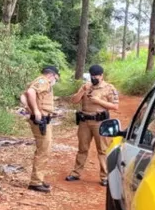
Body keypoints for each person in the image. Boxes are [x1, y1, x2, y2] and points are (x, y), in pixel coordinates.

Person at [66, 64, 119, 186]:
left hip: (100, 122)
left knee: (103, 150)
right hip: (84, 122)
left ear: (101, 76)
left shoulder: (109, 88)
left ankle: (105, 176)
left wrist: (99, 101)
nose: (93, 78)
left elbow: (115, 106)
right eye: (92, 76)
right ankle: (76, 173)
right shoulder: (86, 86)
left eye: (96, 76)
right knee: (82, 148)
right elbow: (74, 101)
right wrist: (82, 91)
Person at [22, 65, 60, 193]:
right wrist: (36, 111)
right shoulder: (43, 81)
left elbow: (23, 96)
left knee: (45, 149)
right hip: (41, 121)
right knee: (43, 150)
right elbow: (30, 93)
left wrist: (29, 108)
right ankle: (36, 182)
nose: (55, 81)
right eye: (56, 78)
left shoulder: (39, 81)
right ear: (52, 75)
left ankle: (39, 178)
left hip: (43, 119)